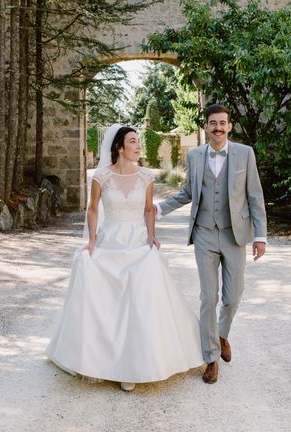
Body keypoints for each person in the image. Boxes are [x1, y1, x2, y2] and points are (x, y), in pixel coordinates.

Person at [46, 124, 203, 392]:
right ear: (120, 147)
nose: (138, 145)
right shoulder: (101, 176)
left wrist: (152, 236)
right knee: (103, 290)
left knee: (140, 293)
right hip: (110, 239)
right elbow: (93, 209)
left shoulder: (146, 177)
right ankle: (104, 361)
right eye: (133, 141)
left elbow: (148, 210)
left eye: (138, 140)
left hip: (137, 240)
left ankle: (134, 365)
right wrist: (92, 240)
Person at [155, 104, 267, 384]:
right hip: (204, 233)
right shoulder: (194, 155)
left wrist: (260, 235)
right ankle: (210, 357)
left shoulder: (245, 154)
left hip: (234, 234)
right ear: (205, 127)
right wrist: (158, 209)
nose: (217, 127)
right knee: (208, 297)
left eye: (222, 123)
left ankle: (221, 335)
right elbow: (188, 192)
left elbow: (254, 194)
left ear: (229, 126)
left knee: (233, 297)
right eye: (212, 123)